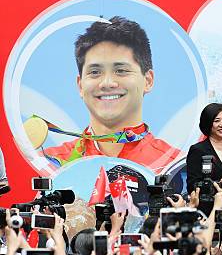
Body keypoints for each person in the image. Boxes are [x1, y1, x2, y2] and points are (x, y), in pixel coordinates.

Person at [42, 16, 181, 173]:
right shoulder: (53, 164)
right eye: (95, 72)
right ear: (80, 85)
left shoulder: (173, 166)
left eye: (121, 71)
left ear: (148, 80)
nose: (107, 83)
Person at [186, 103, 222, 194]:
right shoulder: (197, 150)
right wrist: (220, 183)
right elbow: (192, 186)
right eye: (217, 121)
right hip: (209, 206)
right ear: (208, 123)